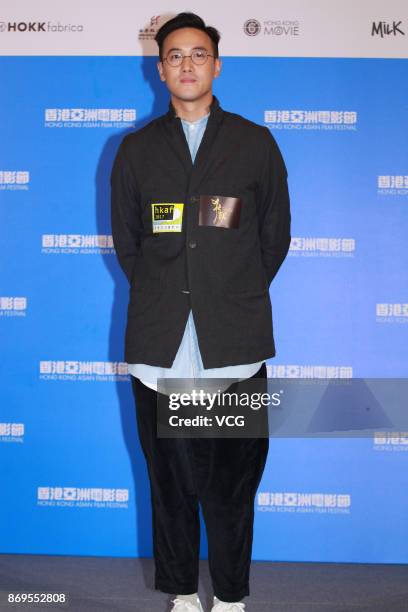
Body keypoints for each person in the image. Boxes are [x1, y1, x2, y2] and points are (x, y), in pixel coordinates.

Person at [110, 12, 291, 612]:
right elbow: (130, 243)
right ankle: (184, 595)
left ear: (217, 64)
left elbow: (274, 238)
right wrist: (174, 294)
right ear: (159, 68)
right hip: (161, 351)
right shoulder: (135, 150)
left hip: (233, 349)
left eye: (198, 53)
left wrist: (224, 291)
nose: (187, 64)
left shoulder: (254, 143)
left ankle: (232, 599)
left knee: (234, 488)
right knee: (172, 487)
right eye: (175, 55)